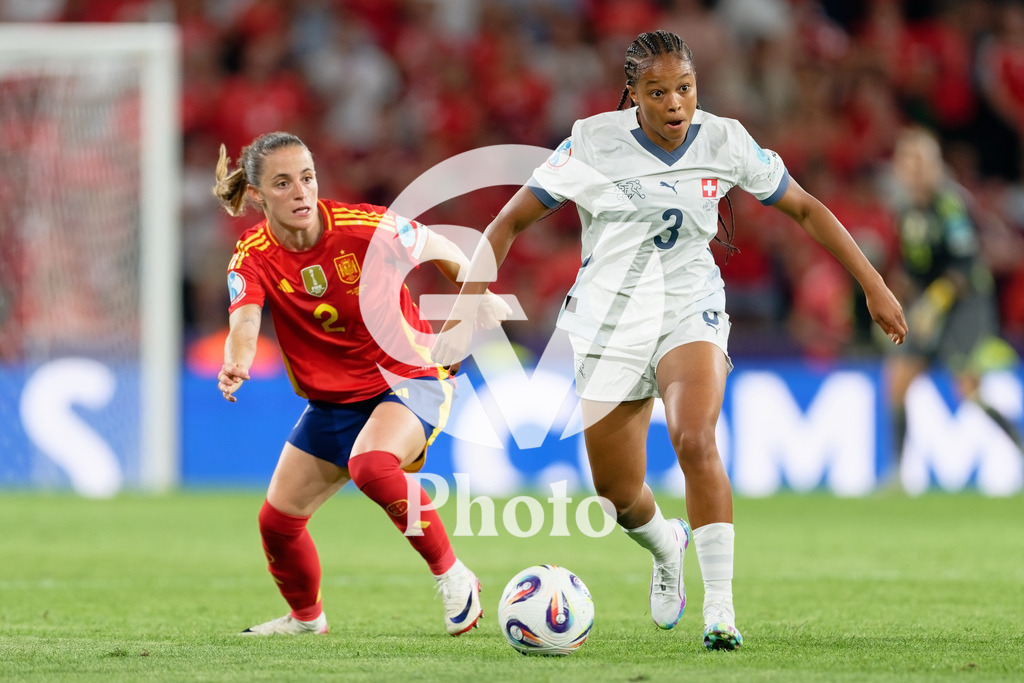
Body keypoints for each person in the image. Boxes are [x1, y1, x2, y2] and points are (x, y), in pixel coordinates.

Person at [433, 30, 907, 651]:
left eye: (684, 88)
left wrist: (874, 286)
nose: (675, 104)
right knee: (618, 494)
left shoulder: (724, 139)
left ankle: (720, 610)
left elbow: (807, 209)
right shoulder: (592, 142)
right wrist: (465, 309)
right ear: (633, 94)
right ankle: (666, 545)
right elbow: (508, 221)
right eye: (658, 92)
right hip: (608, 320)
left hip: (690, 306)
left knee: (694, 436)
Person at [213, 131, 510, 637]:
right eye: (283, 184)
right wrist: (237, 362)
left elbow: (439, 245)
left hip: (410, 376)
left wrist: (475, 294)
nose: (301, 192)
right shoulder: (253, 255)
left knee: (371, 464)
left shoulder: (365, 228)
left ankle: (454, 575)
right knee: (278, 523)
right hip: (334, 401)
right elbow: (244, 321)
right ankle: (306, 621)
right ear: (258, 195)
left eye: (306, 178)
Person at [884, 127, 1021, 480]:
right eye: (907, 161)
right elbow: (914, 268)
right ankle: (899, 473)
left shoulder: (949, 203)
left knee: (968, 388)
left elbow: (965, 263)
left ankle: (1019, 449)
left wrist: (933, 302)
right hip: (930, 307)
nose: (913, 170)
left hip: (966, 303)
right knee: (897, 380)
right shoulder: (904, 211)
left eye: (920, 162)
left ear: (934, 165)